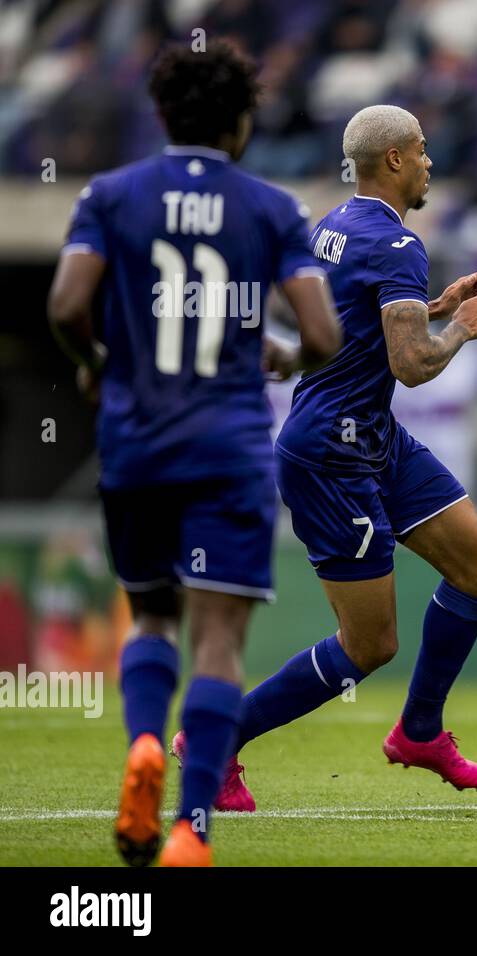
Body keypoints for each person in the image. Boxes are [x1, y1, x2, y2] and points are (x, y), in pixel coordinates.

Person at [46, 41, 342, 866]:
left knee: (150, 616)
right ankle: (191, 828)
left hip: (137, 443)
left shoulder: (111, 195)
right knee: (219, 642)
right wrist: (287, 355)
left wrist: (98, 367)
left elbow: (68, 304)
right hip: (228, 449)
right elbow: (322, 334)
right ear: (242, 122)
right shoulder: (270, 208)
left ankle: (144, 743)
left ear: (163, 115)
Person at [172, 104, 477, 808]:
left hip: (370, 434)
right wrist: (465, 330)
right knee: (369, 644)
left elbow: (349, 328)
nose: (428, 164)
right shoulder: (397, 244)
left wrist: (434, 306)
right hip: (331, 453)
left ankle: (419, 731)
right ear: (392, 159)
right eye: (420, 152)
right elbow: (412, 365)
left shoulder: (332, 227)